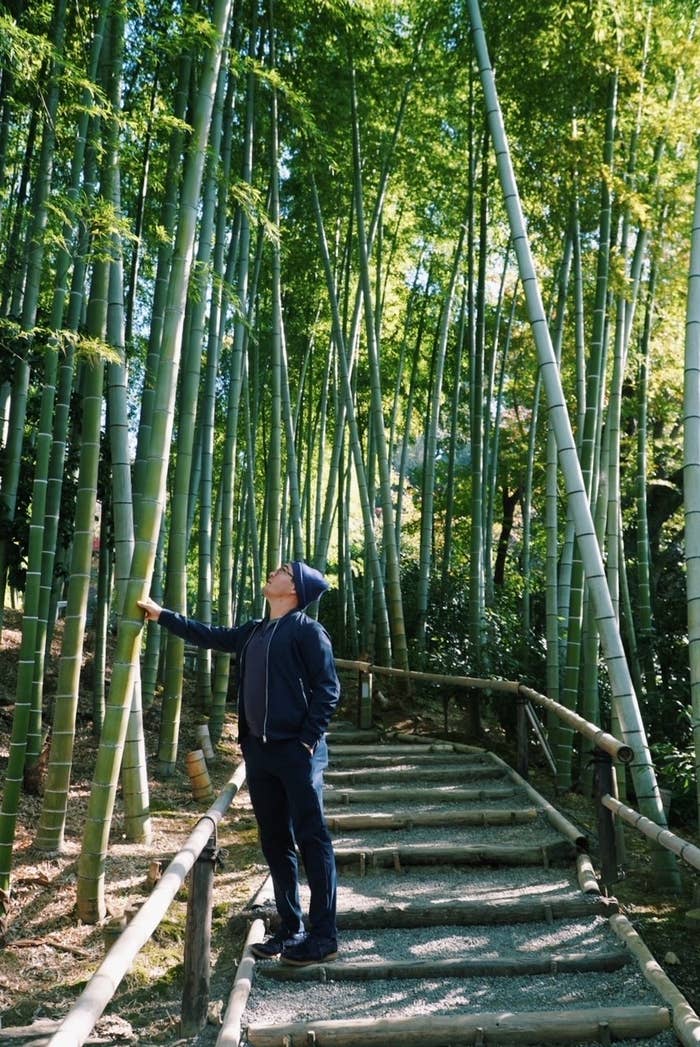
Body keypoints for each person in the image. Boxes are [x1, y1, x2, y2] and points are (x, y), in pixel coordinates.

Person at [137, 561, 340, 966]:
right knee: (275, 840)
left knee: (312, 839)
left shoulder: (307, 631)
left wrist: (305, 742)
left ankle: (323, 937)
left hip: (297, 753)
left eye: (283, 570)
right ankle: (291, 927)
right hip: (260, 752)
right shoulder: (254, 631)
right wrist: (162, 616)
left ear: (294, 590)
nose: (273, 572)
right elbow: (209, 636)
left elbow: (328, 690)